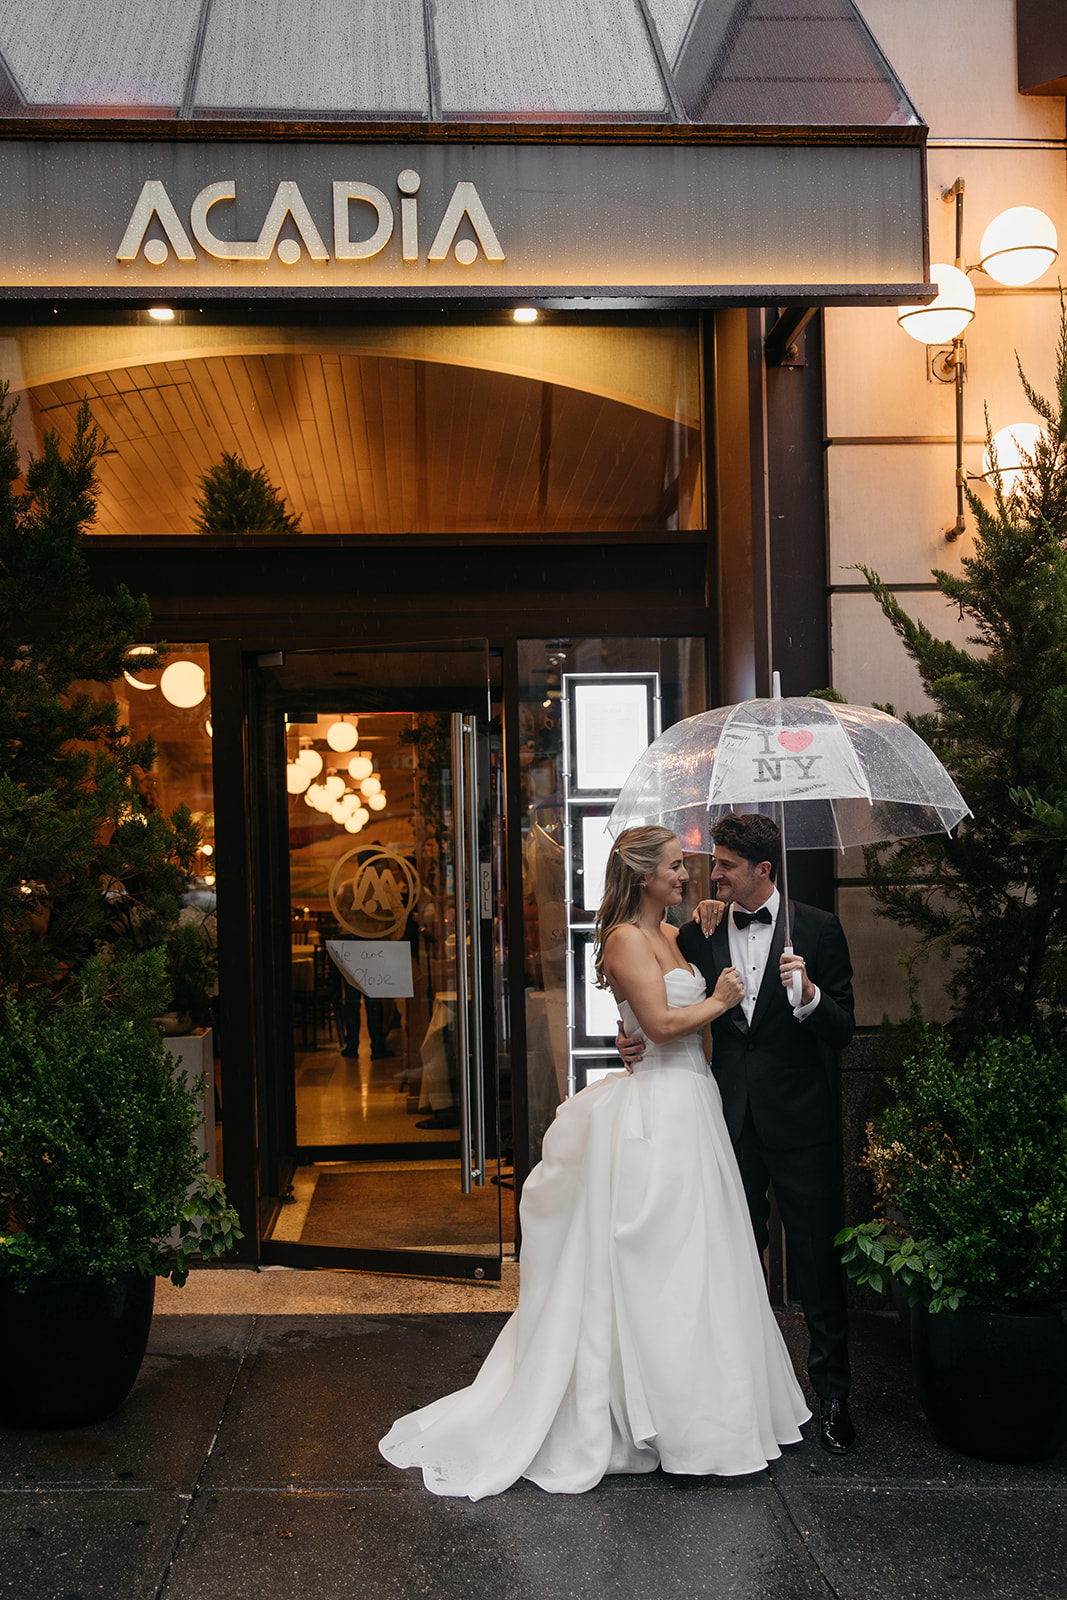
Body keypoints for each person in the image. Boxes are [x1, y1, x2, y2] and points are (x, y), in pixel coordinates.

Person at [378, 826, 810, 1499]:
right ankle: (657, 1419)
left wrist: (702, 955)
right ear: (643, 876)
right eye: (674, 868)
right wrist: (717, 1001)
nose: (686, 877)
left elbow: (668, 1008)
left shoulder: (678, 932)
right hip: (658, 1114)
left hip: (695, 1104)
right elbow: (662, 1025)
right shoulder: (624, 940)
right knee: (657, 1263)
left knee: (704, 1261)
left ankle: (709, 1413)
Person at [616, 813, 856, 1455]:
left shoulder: (821, 929)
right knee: (730, 1262)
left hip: (802, 1122)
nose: (709, 874)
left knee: (815, 1260)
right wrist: (630, 1033)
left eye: (722, 865)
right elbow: (663, 1003)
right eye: (706, 863)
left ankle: (832, 1396)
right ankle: (742, 1397)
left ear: (763, 871)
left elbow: (843, 1028)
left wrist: (807, 996)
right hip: (723, 1121)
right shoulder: (698, 932)